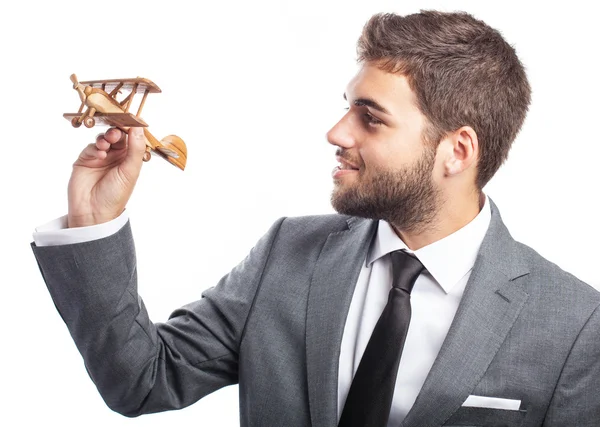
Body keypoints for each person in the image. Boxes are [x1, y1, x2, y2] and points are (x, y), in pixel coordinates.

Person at [31, 10, 600, 427]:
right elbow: (142, 380)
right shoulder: (288, 253)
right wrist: (93, 219)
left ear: (457, 150)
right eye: (347, 105)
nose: (336, 132)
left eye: (370, 118)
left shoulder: (574, 325)